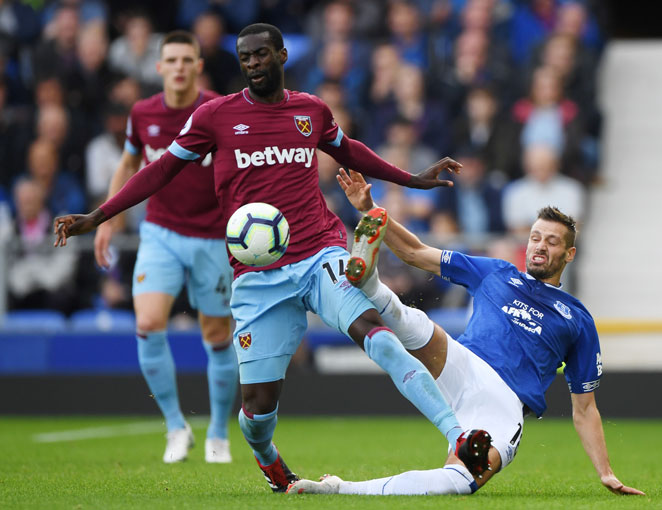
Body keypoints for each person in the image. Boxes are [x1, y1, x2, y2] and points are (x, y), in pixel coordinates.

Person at [53, 23, 478, 493]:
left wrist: (412, 179)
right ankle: (267, 457)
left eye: (261, 55)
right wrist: (99, 214)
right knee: (257, 413)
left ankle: (458, 436)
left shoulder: (310, 111)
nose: (252, 64)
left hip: (320, 252)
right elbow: (161, 171)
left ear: (281, 55)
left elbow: (349, 151)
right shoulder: (215, 117)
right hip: (257, 277)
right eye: (245, 58)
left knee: (376, 335)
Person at [286, 169, 644, 497]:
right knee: (410, 321)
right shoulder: (497, 272)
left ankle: (337, 489)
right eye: (536, 237)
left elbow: (584, 409)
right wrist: (371, 209)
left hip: (503, 403)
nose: (540, 246)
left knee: (458, 482)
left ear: (569, 254)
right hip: (462, 363)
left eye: (551, 241)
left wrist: (606, 472)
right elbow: (414, 252)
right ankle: (370, 281)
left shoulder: (577, 318)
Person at [93, 30, 238, 464]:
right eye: (170, 60)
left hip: (213, 237)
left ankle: (217, 433)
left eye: (185, 60)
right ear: (159, 68)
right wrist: (106, 218)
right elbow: (128, 163)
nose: (178, 67)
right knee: (148, 322)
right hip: (160, 232)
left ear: (198, 65)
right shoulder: (142, 113)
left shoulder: (217, 111)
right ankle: (176, 427)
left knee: (216, 335)